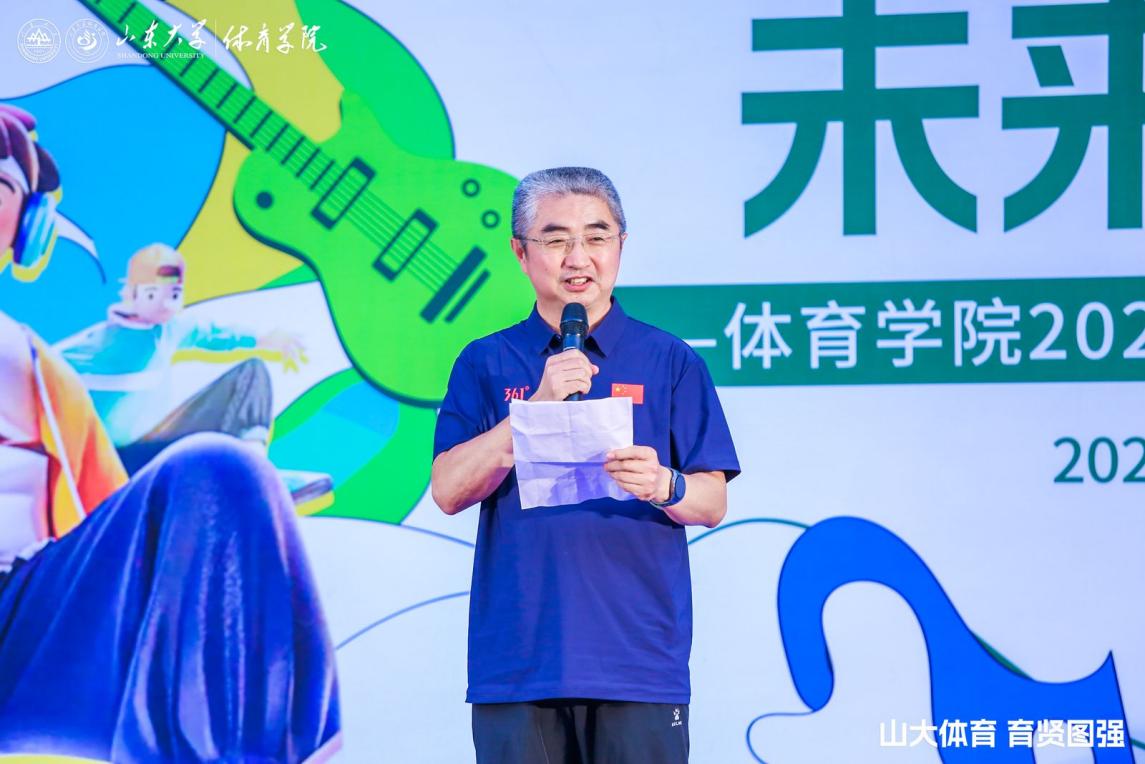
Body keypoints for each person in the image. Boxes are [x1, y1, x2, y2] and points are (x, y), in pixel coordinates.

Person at [0, 102, 340, 763]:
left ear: (27, 227)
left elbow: (112, 521)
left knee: (223, 468)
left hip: (28, 627)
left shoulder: (39, 371)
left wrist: (224, 519)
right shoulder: (81, 350)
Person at [431, 167, 740, 764]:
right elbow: (448, 489)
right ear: (521, 252)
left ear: (621, 244)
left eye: (597, 237)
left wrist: (663, 483)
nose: (579, 258)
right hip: (519, 664)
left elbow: (712, 501)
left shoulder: (670, 360)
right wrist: (534, 412)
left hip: (637, 663)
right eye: (556, 239)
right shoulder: (486, 361)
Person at [57, 242, 307, 475]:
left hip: (154, 451)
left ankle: (253, 466)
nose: (166, 305)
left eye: (174, 295)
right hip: (110, 462)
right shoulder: (98, 343)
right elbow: (43, 362)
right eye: (153, 295)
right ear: (132, 294)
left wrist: (264, 339)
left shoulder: (173, 329)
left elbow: (214, 334)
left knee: (250, 373)